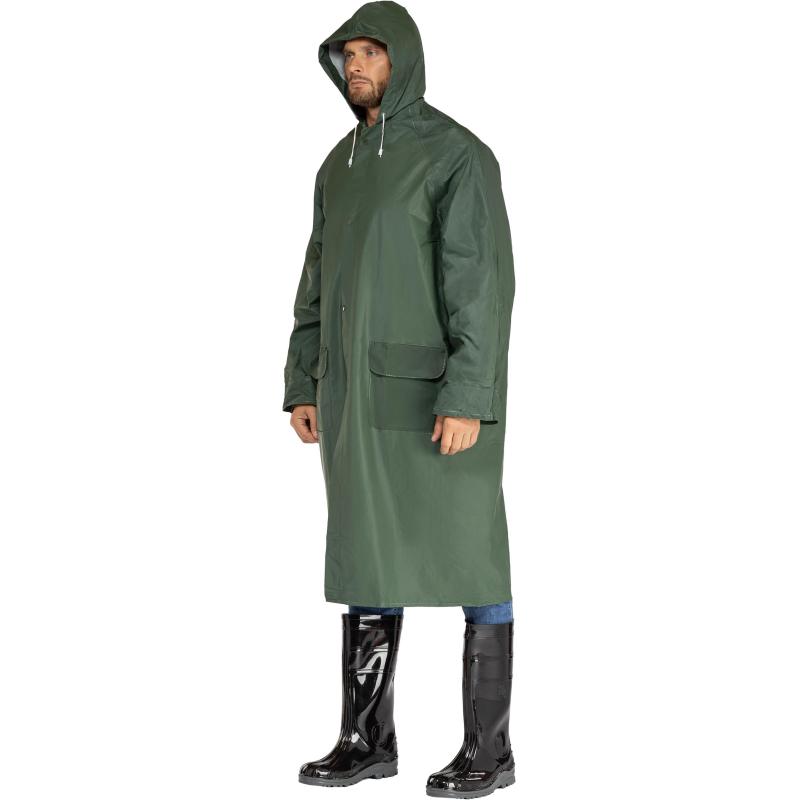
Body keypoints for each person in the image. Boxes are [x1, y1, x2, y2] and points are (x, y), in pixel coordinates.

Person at [282, 2, 516, 796]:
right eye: (347, 53)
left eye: (372, 52)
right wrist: (303, 379)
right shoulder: (337, 166)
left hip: (437, 400)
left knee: (473, 556)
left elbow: (480, 287)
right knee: (368, 554)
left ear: (403, 60)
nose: (356, 65)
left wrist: (468, 395)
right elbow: (314, 285)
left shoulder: (455, 155)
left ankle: (490, 750)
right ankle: (366, 739)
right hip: (351, 395)